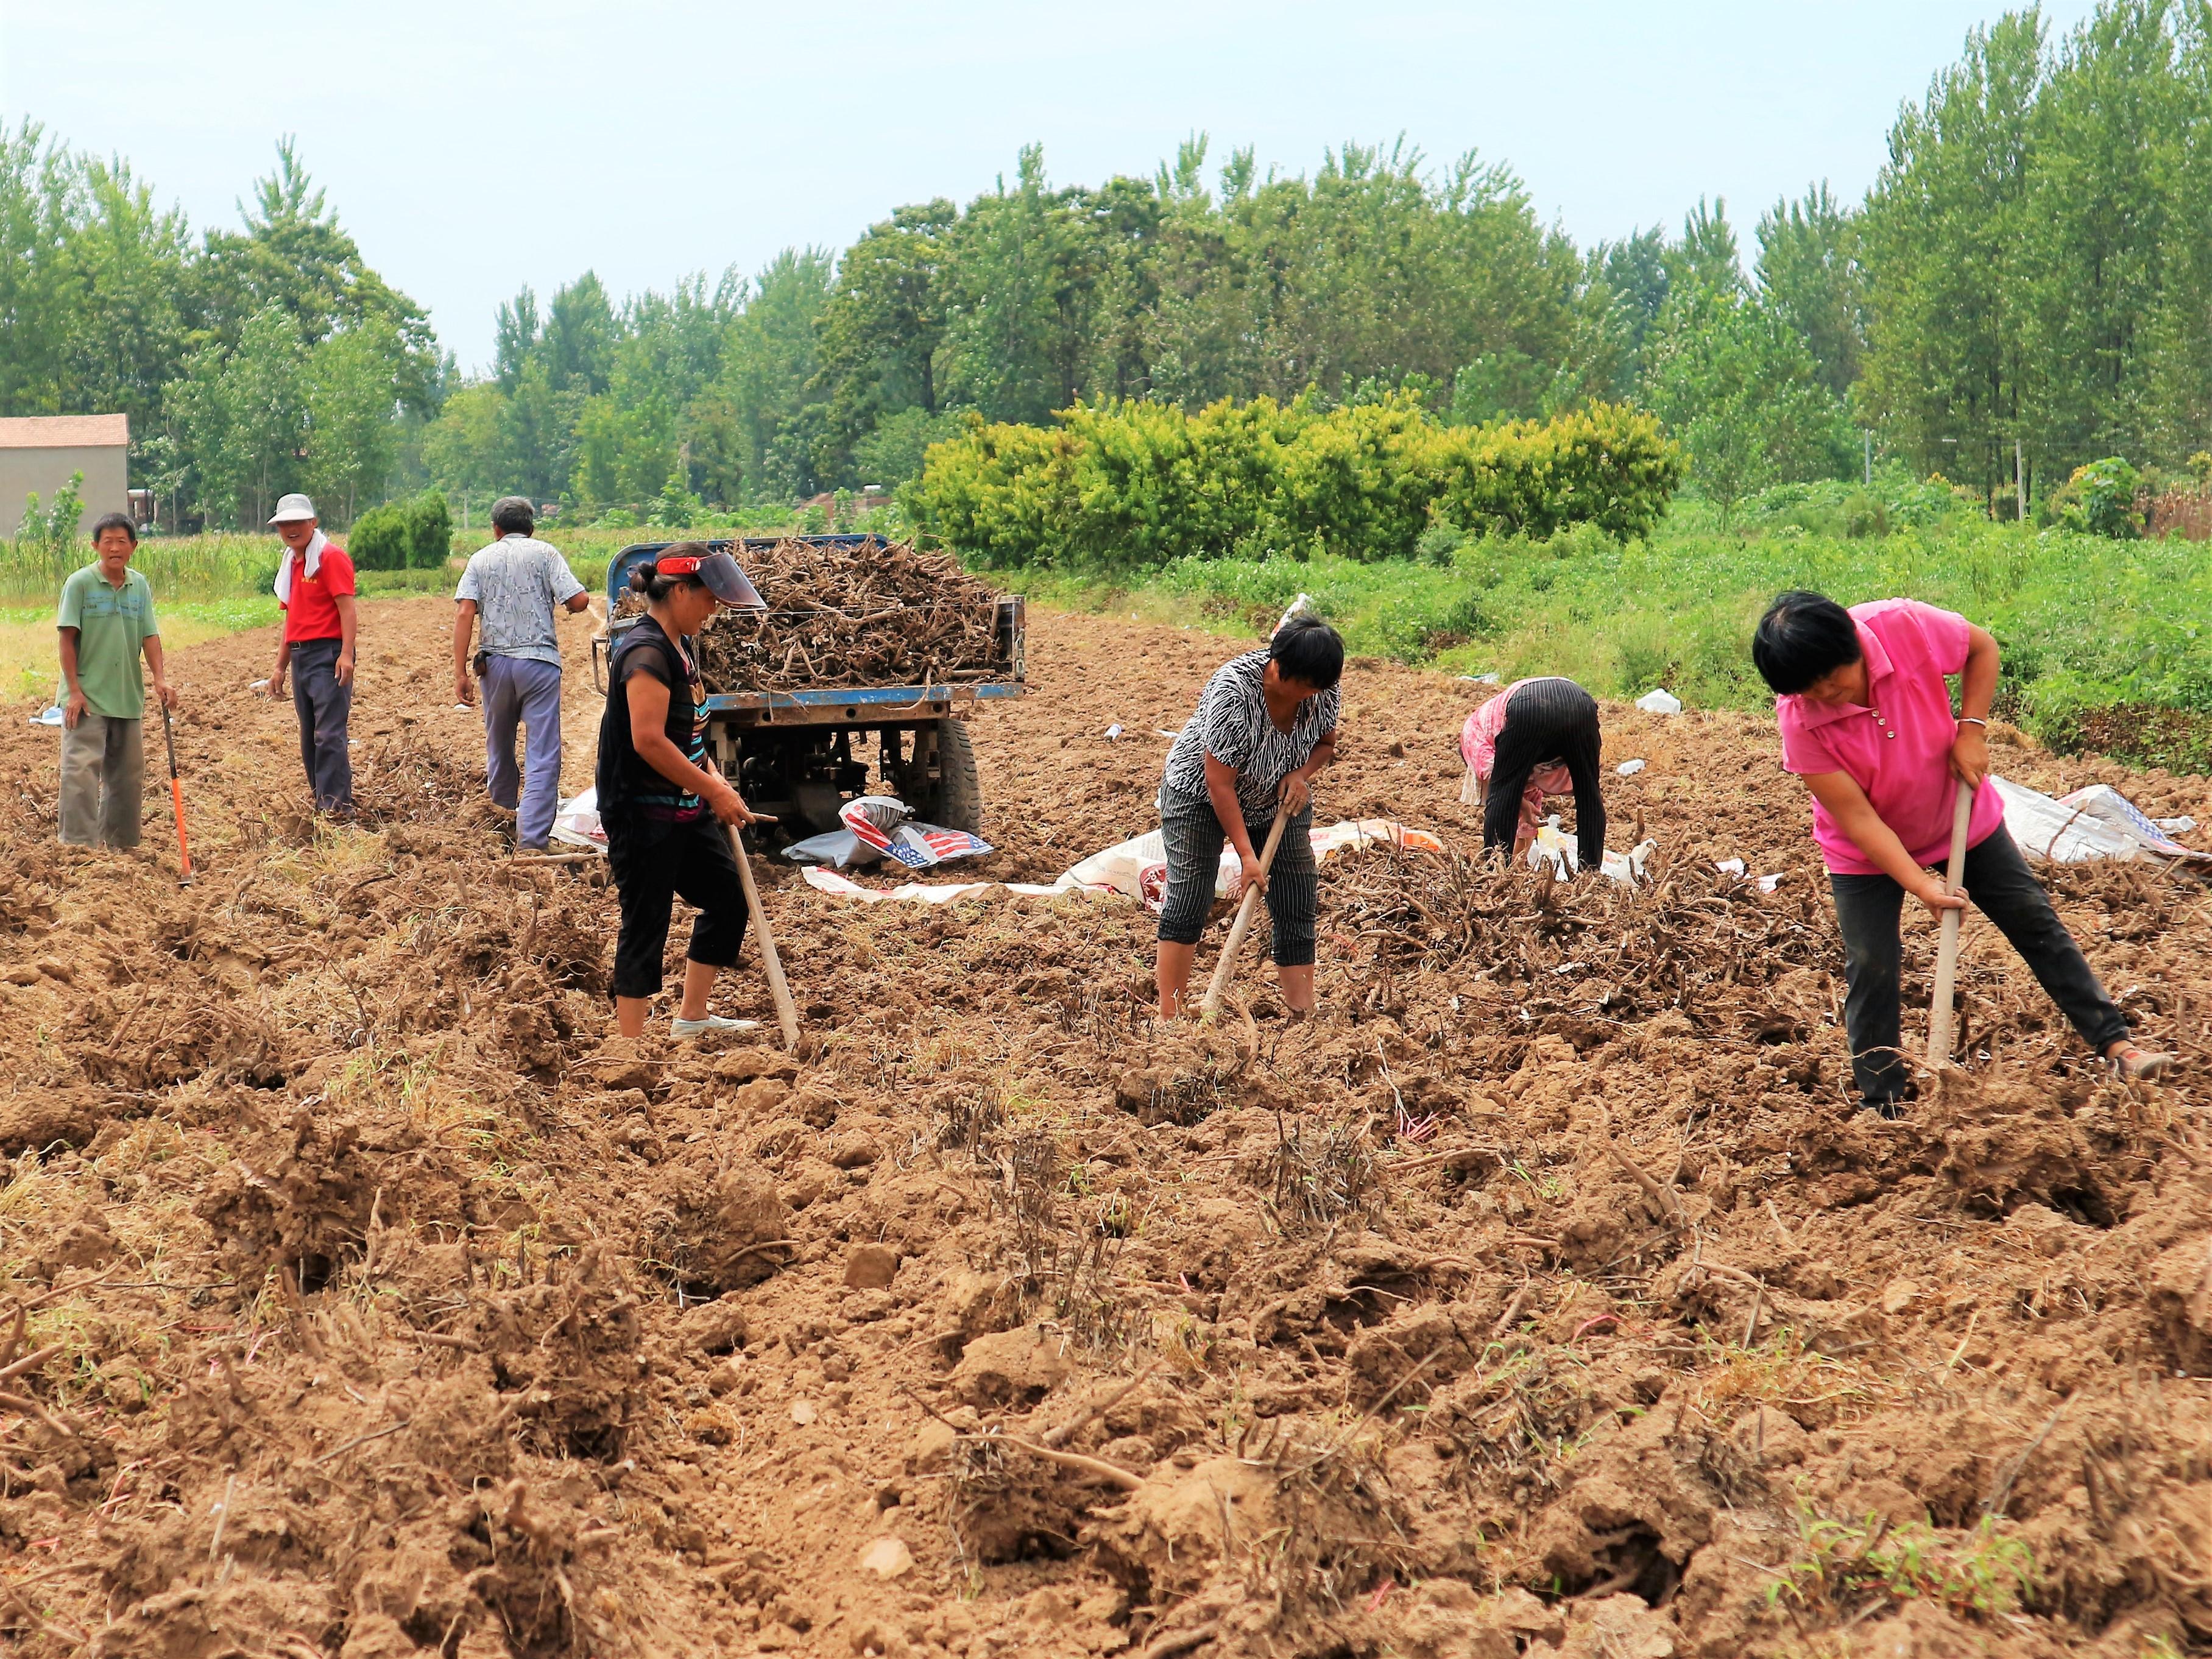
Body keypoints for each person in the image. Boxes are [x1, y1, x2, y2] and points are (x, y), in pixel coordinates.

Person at [1752, 590, 2172, 1114]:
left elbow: (1982, 649)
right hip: (1867, 852)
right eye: (1808, 689)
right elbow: (1858, 819)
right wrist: (1919, 883)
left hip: (1956, 812)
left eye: (1830, 678)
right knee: (1869, 963)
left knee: (2032, 920)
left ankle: (2116, 1046)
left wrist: (1970, 730)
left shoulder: (1902, 626)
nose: (1824, 695)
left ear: (1852, 643)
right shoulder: (1800, 719)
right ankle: (1881, 1104)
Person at [596, 544, 773, 1040]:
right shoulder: (646, 653)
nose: (713, 609)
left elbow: (687, 732)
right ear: (678, 592)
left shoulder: (680, 645)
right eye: (706, 598)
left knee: (727, 898)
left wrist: (712, 780)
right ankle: (629, 1048)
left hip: (682, 804)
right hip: (641, 809)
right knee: (645, 922)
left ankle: (692, 1017)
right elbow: (648, 739)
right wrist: (712, 791)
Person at [1154, 615, 1343, 1019]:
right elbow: (1219, 784)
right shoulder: (1233, 691)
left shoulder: (1322, 689)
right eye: (1308, 687)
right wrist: (1246, 856)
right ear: (1281, 670)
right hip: (1199, 795)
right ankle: (1170, 1017)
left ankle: (1302, 1012)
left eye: (1320, 689)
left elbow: (1326, 743)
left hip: (1277, 796)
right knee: (1190, 895)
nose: (1315, 696)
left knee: (1296, 893)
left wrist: (1300, 773)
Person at [453, 496, 590, 850]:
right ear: (531, 529)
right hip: (539, 665)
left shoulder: (480, 559)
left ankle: (500, 816)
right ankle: (531, 839)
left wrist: (459, 673)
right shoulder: (545, 554)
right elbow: (578, 601)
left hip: (495, 666)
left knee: (499, 744)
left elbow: (465, 612)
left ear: (496, 529)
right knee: (542, 751)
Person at [55, 513, 176, 848]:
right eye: (107, 541)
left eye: (122, 541)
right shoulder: (80, 584)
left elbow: (150, 636)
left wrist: (160, 679)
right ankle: (77, 848)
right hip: (87, 697)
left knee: (127, 776)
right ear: (95, 546)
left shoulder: (139, 586)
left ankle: (120, 847)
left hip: (126, 694)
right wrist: (74, 692)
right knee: (80, 772)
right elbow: (66, 640)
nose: (114, 547)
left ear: (134, 547)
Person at [263, 493, 358, 815]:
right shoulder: (292, 563)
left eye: (297, 522)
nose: (291, 529)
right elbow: (293, 618)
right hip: (302, 656)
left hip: (328, 653)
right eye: (284, 524)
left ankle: (336, 807)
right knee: (309, 735)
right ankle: (322, 800)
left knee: (329, 733)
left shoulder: (330, 558)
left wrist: (346, 655)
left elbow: (347, 609)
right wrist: (279, 667)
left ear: (313, 523)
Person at [1458, 677, 1606, 869]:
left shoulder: (1471, 734)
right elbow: (1526, 801)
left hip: (1531, 708)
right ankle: (1590, 873)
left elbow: (1498, 784)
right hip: (1581, 704)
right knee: (1589, 794)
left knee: (1502, 795)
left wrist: (1513, 801)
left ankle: (1495, 873)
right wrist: (1523, 805)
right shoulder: (1500, 731)